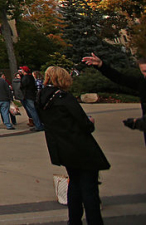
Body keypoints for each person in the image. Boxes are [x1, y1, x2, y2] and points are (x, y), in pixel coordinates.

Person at [37, 66, 109, 225]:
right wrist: (90, 123)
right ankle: (94, 220)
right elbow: (83, 123)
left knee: (75, 184)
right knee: (89, 189)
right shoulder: (64, 98)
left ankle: (74, 220)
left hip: (61, 147)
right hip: (79, 146)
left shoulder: (41, 98)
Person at [82, 53, 146, 146]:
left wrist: (137, 123)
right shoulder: (143, 83)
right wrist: (101, 65)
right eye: (144, 71)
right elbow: (120, 78)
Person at [19, 66, 44, 132]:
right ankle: (39, 124)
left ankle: (38, 125)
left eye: (21, 70)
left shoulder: (26, 78)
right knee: (34, 110)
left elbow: (22, 86)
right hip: (31, 95)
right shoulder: (30, 77)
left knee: (33, 111)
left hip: (28, 95)